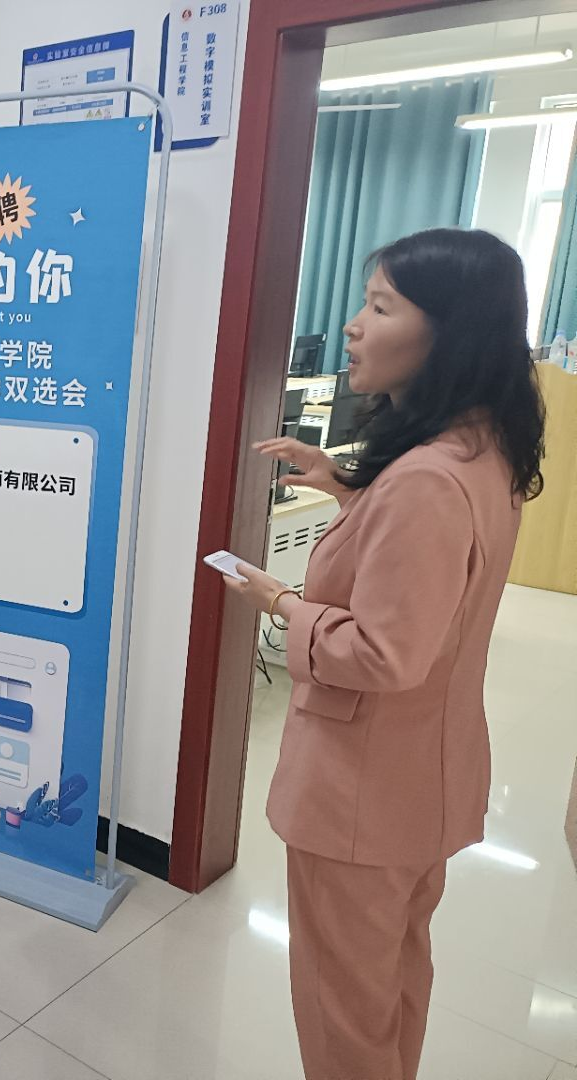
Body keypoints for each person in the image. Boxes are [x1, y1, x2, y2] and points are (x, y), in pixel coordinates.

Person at [223, 228, 545, 1080]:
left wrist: (282, 604)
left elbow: (384, 653)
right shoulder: (483, 449)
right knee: (390, 984)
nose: (354, 325)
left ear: (447, 334)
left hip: (360, 794)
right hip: (421, 780)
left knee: (342, 1012)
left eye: (380, 306)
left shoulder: (425, 481)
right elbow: (428, 570)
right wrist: (346, 485)